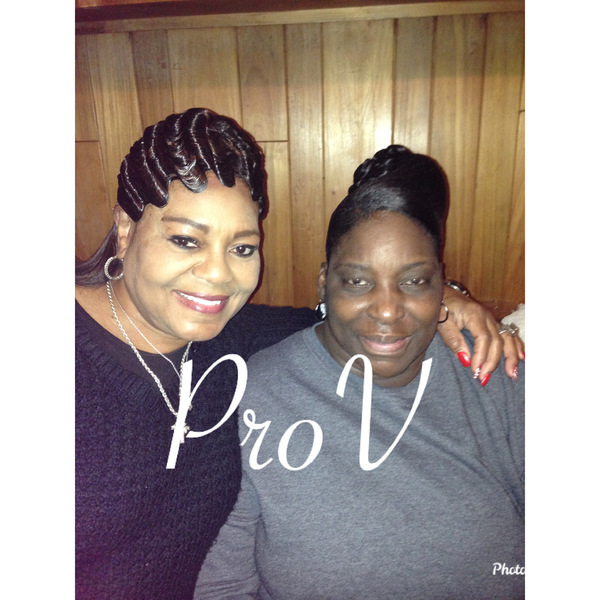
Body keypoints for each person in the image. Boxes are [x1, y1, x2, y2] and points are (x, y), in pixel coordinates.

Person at [75, 109, 522, 599]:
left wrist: (440, 296)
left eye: (241, 248)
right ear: (124, 229)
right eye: (186, 240)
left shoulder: (229, 337)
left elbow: (350, 318)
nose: (217, 274)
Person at [194, 145, 525, 599]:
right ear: (324, 282)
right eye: (357, 281)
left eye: (415, 281)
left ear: (441, 283)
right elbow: (222, 587)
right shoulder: (254, 395)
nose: (387, 310)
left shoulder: (494, 370)